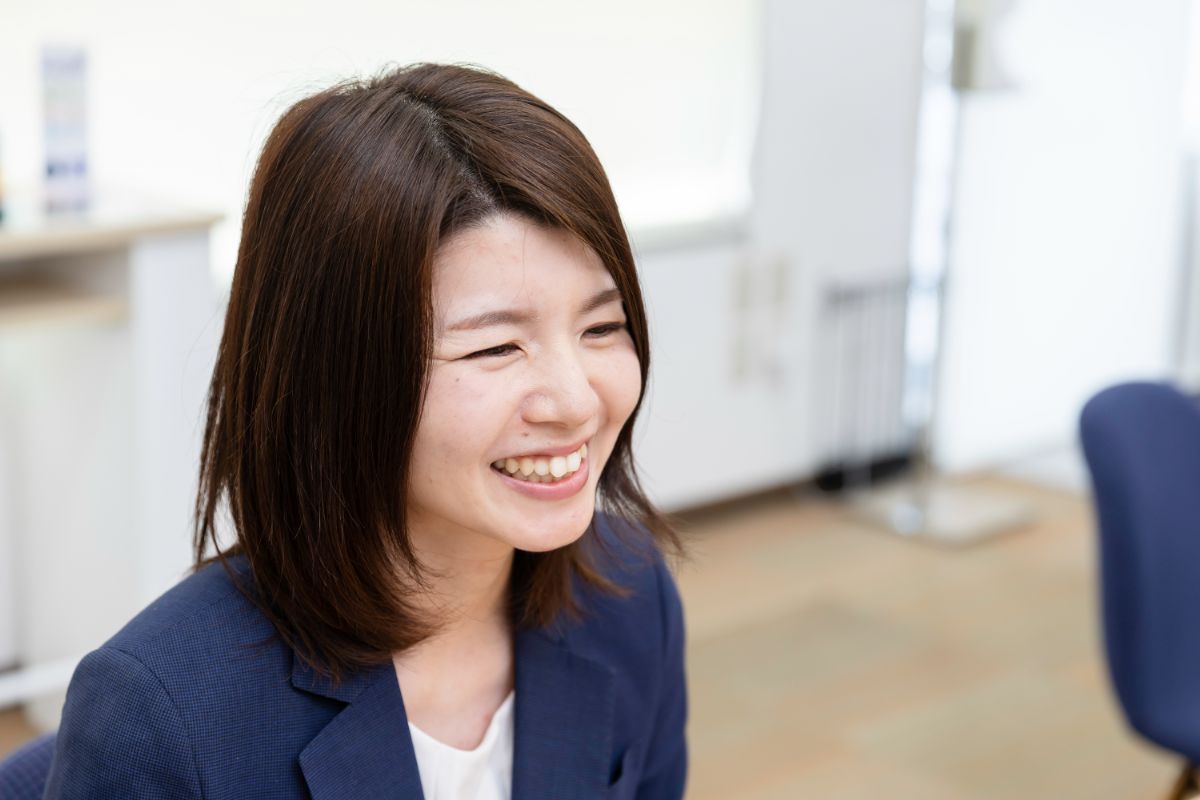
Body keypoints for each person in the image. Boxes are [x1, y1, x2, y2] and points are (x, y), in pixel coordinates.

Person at [42, 62, 687, 799]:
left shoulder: (634, 596)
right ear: (335, 373)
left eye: (601, 327)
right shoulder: (160, 718)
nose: (576, 401)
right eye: (496, 347)